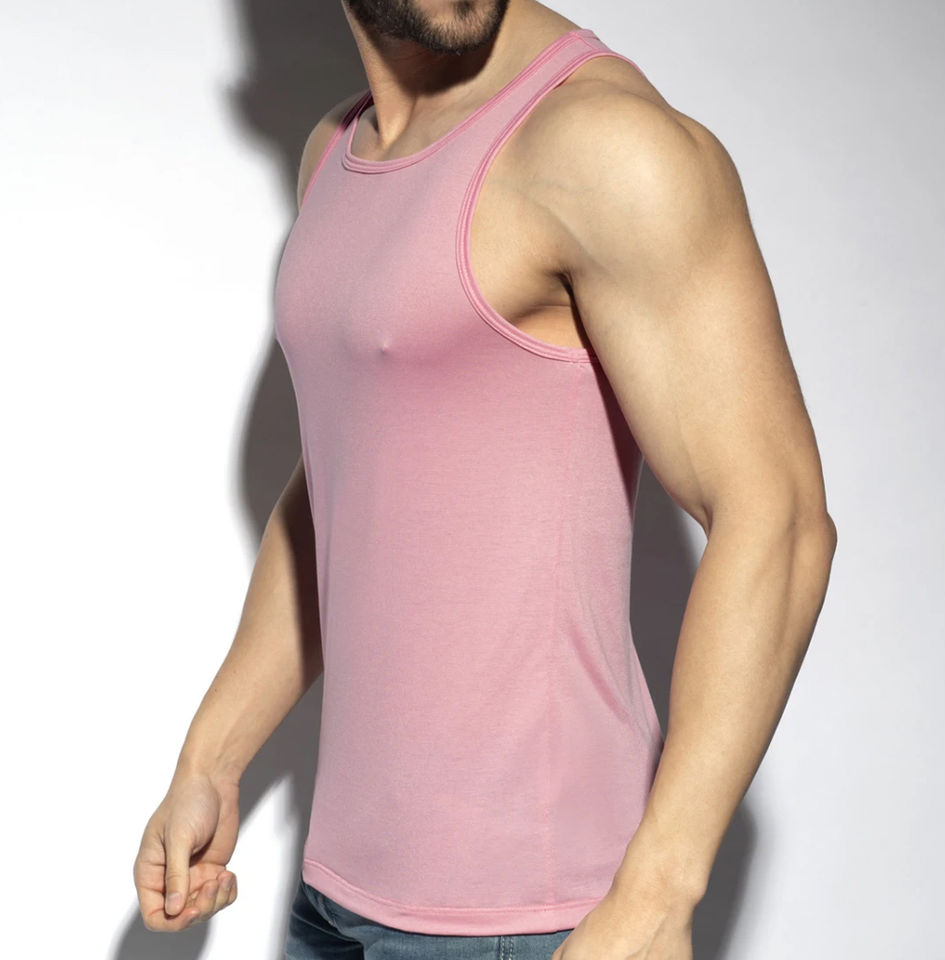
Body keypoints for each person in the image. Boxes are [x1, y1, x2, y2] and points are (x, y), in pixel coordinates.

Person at [133, 1, 838, 957]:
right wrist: (212, 757)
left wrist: (659, 893)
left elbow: (779, 518)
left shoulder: (602, 145)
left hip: (522, 920)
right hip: (335, 894)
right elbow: (347, 487)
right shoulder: (335, 152)